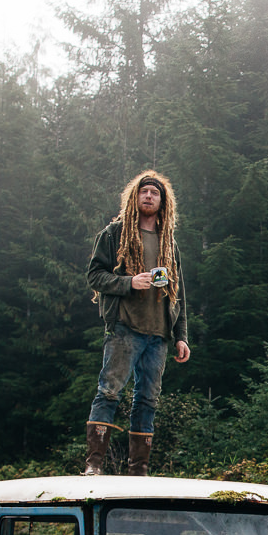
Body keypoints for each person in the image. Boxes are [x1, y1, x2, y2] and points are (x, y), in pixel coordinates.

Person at [84, 170, 191, 475]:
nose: (148, 196)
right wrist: (130, 283)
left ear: (163, 201)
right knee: (109, 392)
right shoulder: (114, 234)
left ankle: (138, 470)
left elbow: (179, 293)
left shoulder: (169, 242)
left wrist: (181, 336)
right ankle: (94, 465)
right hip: (125, 328)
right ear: (134, 196)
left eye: (154, 193)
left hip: (159, 334)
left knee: (148, 400)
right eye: (144, 191)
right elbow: (95, 276)